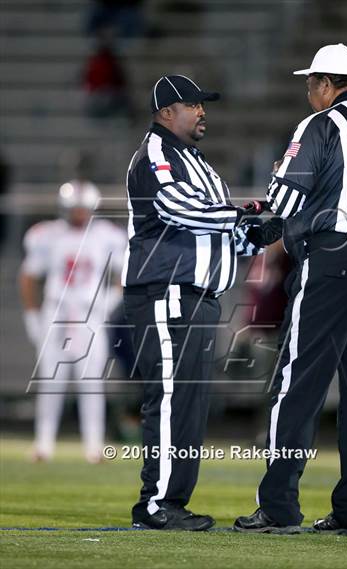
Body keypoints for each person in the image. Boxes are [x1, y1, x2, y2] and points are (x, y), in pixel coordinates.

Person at [234, 44, 347, 536]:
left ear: (326, 84)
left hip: (335, 257)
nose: (308, 91)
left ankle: (277, 506)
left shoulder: (318, 127)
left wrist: (260, 224)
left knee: (299, 382)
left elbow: (285, 199)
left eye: (311, 82)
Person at [122, 74, 263, 531]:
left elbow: (219, 233)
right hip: (166, 290)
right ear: (166, 113)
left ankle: (173, 501)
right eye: (193, 104)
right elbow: (174, 206)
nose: (203, 111)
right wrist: (242, 216)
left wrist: (255, 236)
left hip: (200, 296)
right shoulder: (157, 154)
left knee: (190, 401)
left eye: (204, 104)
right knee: (167, 396)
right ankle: (155, 503)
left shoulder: (198, 161)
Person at [20, 180, 127, 463]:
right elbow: (29, 275)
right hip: (56, 311)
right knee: (50, 382)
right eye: (73, 208)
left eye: (83, 208)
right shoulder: (47, 234)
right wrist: (31, 315)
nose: (78, 214)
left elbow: (122, 275)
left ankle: (94, 445)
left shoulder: (106, 235)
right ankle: (43, 443)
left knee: (91, 382)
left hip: (88, 314)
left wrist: (107, 305)